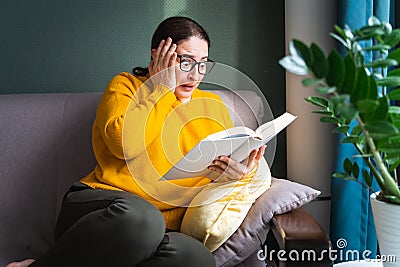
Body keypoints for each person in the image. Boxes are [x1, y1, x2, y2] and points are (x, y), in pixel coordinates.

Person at [7, 16, 265, 267]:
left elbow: (206, 175)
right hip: (105, 210)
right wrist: (162, 89)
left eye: (203, 63)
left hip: (162, 230)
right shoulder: (126, 86)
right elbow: (124, 146)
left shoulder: (213, 106)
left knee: (196, 258)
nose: (196, 74)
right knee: (142, 220)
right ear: (157, 55)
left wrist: (234, 174)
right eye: (186, 61)